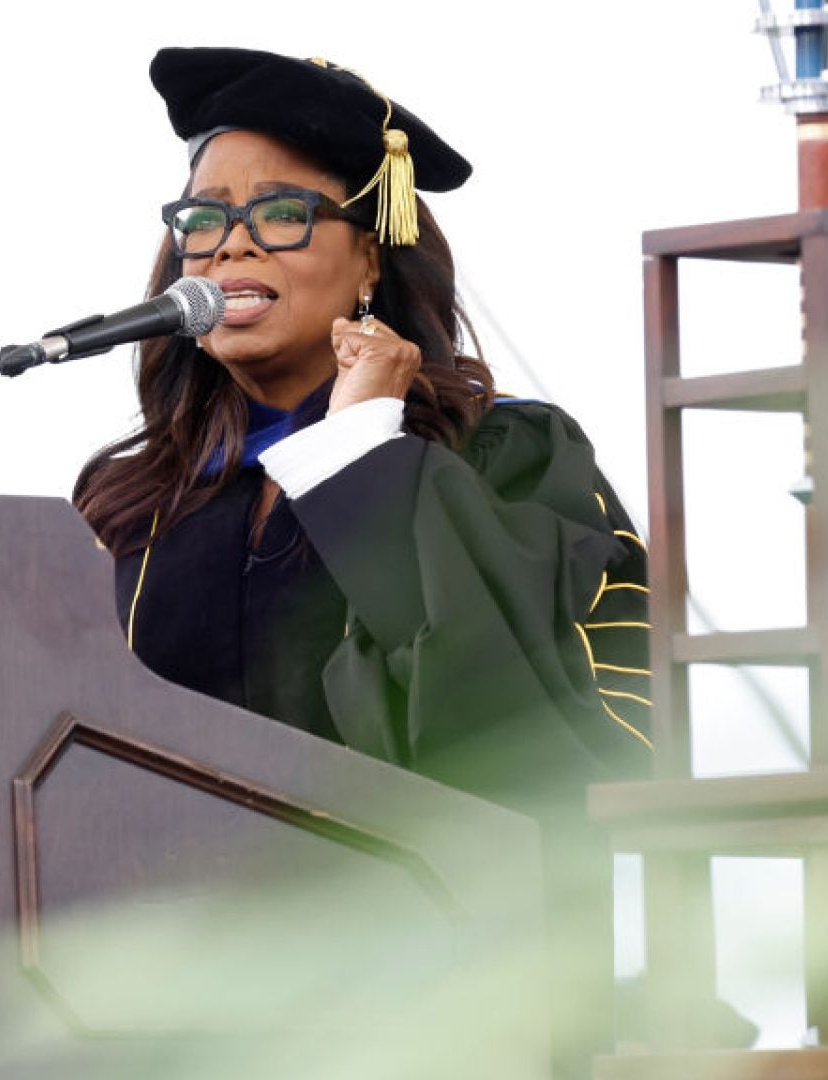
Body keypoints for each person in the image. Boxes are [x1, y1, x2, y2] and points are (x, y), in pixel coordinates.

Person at [72, 47, 651, 1073]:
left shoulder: (508, 460)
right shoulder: (133, 509)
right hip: (169, 1030)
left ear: (373, 256)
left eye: (281, 214)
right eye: (203, 219)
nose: (229, 248)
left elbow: (536, 739)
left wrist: (358, 456)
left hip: (439, 1011)